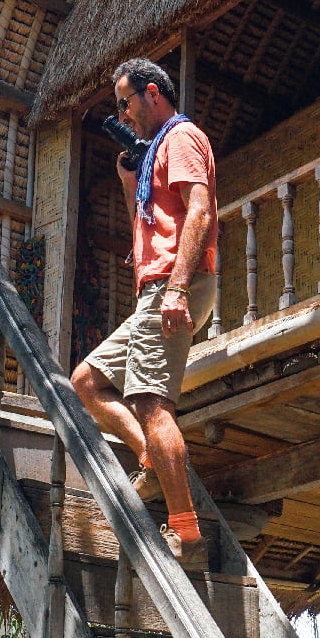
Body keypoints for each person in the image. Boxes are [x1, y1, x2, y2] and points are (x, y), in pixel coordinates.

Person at [71, 58, 218, 561]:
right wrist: (127, 176)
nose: (123, 113)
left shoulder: (180, 138)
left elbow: (199, 210)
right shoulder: (155, 149)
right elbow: (152, 219)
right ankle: (151, 459)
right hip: (155, 288)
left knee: (152, 404)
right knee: (87, 382)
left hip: (174, 285)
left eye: (124, 102)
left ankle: (187, 531)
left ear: (152, 92)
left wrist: (177, 290)